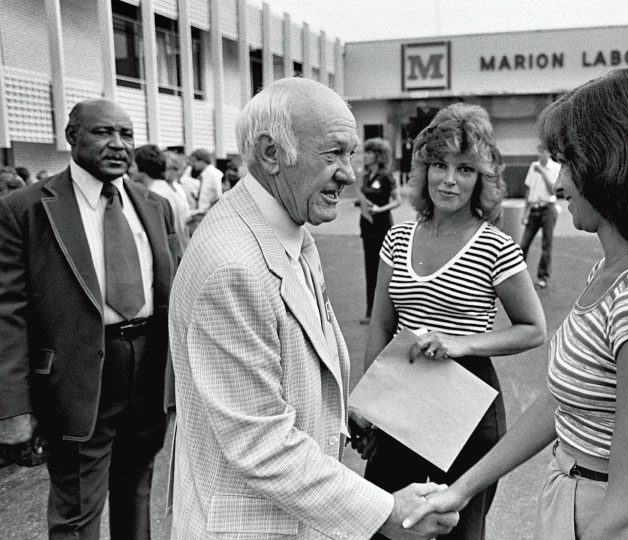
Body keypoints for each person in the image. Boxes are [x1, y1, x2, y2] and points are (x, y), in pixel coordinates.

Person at [403, 67, 628, 540]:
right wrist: (462, 488)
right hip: (576, 496)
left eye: (571, 163)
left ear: (613, 166)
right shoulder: (615, 270)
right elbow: (565, 401)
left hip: (606, 518)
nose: (560, 183)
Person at [167, 77, 458, 540]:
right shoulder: (233, 267)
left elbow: (295, 365)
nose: (349, 174)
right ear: (270, 153)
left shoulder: (289, 227)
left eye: (351, 154)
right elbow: (261, 444)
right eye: (333, 154)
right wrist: (385, 510)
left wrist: (344, 413)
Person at [353, 102, 547, 540]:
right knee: (386, 526)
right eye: (439, 165)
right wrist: (370, 404)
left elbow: (534, 328)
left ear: (482, 178)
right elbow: (382, 327)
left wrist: (463, 343)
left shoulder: (495, 245)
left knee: (456, 532)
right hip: (402, 398)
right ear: (422, 170)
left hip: (467, 409)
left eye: (465, 169)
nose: (449, 179)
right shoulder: (399, 236)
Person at [0, 98, 178, 539]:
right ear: (71, 135)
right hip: (77, 378)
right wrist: (12, 408)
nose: (119, 145)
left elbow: (173, 292)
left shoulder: (154, 204)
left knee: (136, 494)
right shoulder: (26, 208)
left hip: (148, 369)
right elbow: (8, 315)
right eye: (103, 133)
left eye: (127, 135)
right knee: (77, 511)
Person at [358, 137, 400, 323]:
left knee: (382, 271)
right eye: (365, 152)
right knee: (369, 269)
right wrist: (360, 203)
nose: (365, 156)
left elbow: (397, 201)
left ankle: (387, 312)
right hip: (367, 225)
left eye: (369, 152)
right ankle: (370, 311)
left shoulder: (386, 177)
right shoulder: (367, 177)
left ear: (378, 155)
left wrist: (379, 209)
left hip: (382, 227)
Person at [519, 143, 561, 289]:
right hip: (534, 209)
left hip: (548, 209)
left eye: (542, 152)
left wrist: (543, 173)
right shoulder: (533, 166)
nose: (540, 155)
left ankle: (543, 278)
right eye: (538, 152)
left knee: (546, 244)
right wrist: (525, 212)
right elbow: (529, 190)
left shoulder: (555, 168)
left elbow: (552, 191)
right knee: (523, 244)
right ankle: (518, 275)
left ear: (548, 153)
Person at [134, 144, 191, 253]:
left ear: (141, 166)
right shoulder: (169, 191)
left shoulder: (153, 196)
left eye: (132, 165)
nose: (129, 170)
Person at [182, 148, 223, 234]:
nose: (193, 165)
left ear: (203, 161)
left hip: (208, 216)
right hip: (201, 215)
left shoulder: (215, 175)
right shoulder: (203, 175)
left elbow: (220, 196)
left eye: (194, 161)